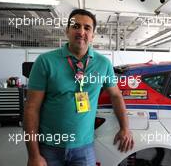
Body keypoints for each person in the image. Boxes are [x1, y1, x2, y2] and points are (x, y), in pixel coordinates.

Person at [24, 9, 134, 166]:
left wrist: (125, 127)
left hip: (84, 149)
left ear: (93, 35)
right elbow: (31, 108)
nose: (81, 31)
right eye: (76, 26)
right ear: (67, 30)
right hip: (49, 147)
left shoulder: (103, 64)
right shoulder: (45, 61)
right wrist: (33, 155)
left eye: (87, 28)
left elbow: (115, 95)